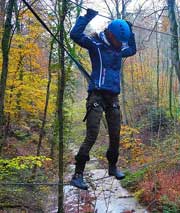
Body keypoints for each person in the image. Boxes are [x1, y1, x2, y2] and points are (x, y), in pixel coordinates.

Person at [69, 8, 137, 190]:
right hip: (97, 96)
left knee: (115, 134)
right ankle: (77, 174)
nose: (119, 44)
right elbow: (75, 35)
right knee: (92, 134)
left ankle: (112, 166)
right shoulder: (96, 45)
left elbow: (132, 49)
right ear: (109, 33)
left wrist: (130, 32)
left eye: (121, 41)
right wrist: (87, 17)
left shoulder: (119, 49)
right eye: (118, 40)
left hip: (113, 96)